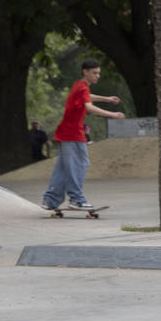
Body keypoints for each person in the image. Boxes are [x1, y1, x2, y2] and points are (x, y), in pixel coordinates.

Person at [41, 60, 125, 211]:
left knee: (64, 168)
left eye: (99, 73)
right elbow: (89, 106)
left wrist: (106, 99)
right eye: (94, 73)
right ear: (85, 72)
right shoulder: (81, 87)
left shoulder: (80, 86)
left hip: (67, 133)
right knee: (80, 165)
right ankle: (76, 199)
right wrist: (112, 114)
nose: (97, 76)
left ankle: (50, 200)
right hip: (72, 134)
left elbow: (88, 97)